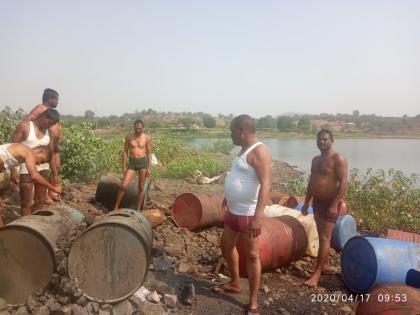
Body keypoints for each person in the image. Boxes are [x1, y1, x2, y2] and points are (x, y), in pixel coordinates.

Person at [214, 115, 272, 315]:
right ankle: (235, 283)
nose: (230, 135)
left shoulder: (260, 151)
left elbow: (266, 184)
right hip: (233, 211)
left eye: (232, 131)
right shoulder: (243, 150)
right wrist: (228, 196)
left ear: (242, 130)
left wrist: (259, 216)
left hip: (248, 214)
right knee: (226, 245)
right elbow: (240, 177)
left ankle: (253, 301)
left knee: (253, 255)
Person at [301, 129, 348, 287]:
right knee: (322, 235)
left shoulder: (338, 159)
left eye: (325, 139)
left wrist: (335, 205)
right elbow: (311, 181)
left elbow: (343, 183)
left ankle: (317, 273)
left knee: (324, 238)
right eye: (319, 140)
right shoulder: (315, 160)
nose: (321, 142)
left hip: (330, 204)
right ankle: (325, 265)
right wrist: (307, 202)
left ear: (332, 141)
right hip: (317, 203)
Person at [11, 108, 60, 215]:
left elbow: (50, 153)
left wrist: (55, 173)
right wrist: (13, 170)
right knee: (26, 202)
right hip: (25, 168)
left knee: (40, 200)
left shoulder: (49, 132)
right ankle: (24, 227)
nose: (50, 126)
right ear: (43, 117)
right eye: (49, 123)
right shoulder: (25, 127)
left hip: (43, 168)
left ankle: (35, 225)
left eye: (52, 124)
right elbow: (12, 148)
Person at [0, 143, 62, 219]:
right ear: (39, 152)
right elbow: (34, 175)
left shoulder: (21, 151)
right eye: (42, 161)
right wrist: (54, 188)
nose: (39, 164)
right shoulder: (28, 152)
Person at [23, 88, 62, 202]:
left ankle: (49, 193)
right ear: (50, 99)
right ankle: (45, 195)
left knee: (54, 168)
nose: (58, 102)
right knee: (42, 171)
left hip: (52, 146)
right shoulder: (40, 109)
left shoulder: (51, 112)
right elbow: (26, 123)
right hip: (41, 148)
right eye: (56, 99)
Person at [114, 119, 152, 211]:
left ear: (143, 127)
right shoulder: (128, 137)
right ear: (133, 127)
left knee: (141, 187)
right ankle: (115, 208)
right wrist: (124, 166)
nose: (137, 130)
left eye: (139, 128)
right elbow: (125, 152)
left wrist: (149, 168)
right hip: (132, 163)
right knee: (123, 186)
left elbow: (149, 153)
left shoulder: (146, 138)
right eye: (136, 128)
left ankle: (138, 209)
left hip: (142, 162)